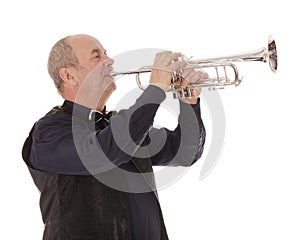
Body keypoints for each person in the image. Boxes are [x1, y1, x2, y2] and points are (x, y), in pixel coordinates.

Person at [22, 34, 207, 240]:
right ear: (68, 75)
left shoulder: (117, 125)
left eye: (106, 54)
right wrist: (155, 89)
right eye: (96, 56)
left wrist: (189, 99)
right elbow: (106, 151)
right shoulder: (49, 132)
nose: (109, 61)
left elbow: (184, 152)